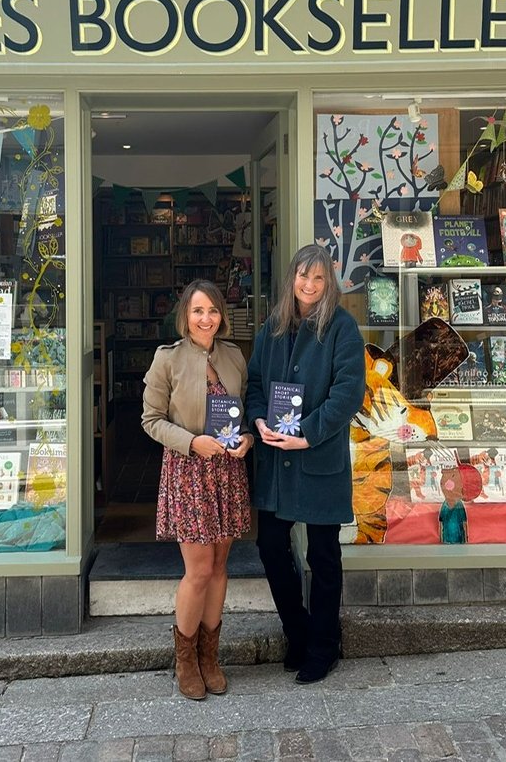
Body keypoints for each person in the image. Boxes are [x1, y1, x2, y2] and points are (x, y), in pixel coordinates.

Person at [245, 244, 365, 685]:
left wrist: (308, 433)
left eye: (318, 278)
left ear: (328, 281)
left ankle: (324, 645)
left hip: (317, 458)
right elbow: (255, 382)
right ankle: (297, 631)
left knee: (323, 554)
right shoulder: (273, 327)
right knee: (271, 546)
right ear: (292, 278)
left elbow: (348, 394)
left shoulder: (342, 328)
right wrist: (257, 418)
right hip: (277, 460)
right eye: (303, 277)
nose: (310, 286)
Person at [142, 279, 254, 700]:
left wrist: (248, 438)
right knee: (199, 569)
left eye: (212, 311)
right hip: (189, 471)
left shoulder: (234, 355)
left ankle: (210, 656)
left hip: (226, 472)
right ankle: (185, 659)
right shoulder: (166, 359)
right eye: (197, 311)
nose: (205, 319)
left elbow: (243, 414)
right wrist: (191, 443)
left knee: (221, 565)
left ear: (221, 315)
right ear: (185, 316)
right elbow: (151, 420)